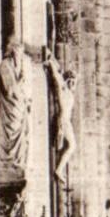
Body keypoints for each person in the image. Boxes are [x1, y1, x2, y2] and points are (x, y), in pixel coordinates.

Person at [0, 37, 32, 174]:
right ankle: (10, 162)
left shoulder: (19, 67)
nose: (20, 57)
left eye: (21, 54)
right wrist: (21, 81)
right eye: (17, 52)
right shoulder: (5, 65)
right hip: (10, 110)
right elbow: (10, 91)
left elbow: (24, 92)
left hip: (20, 109)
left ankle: (18, 162)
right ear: (11, 51)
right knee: (10, 138)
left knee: (23, 138)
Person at [43, 49, 76, 180]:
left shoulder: (69, 92)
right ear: (67, 81)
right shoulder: (63, 89)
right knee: (71, 145)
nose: (73, 84)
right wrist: (50, 61)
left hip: (66, 120)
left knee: (70, 146)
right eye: (71, 81)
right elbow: (57, 77)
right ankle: (58, 170)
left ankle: (59, 169)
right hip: (63, 119)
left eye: (74, 82)